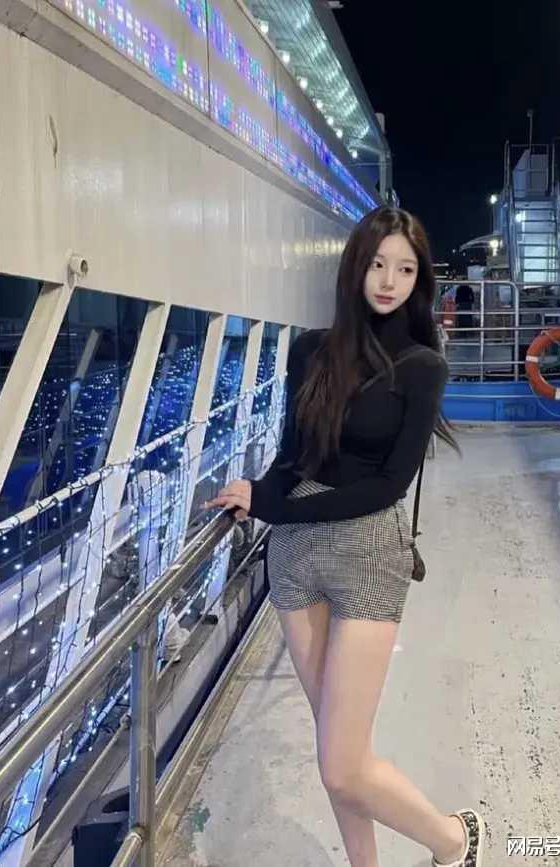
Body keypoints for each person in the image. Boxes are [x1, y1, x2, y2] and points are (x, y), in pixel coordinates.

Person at [205, 206, 486, 867]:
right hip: (296, 558)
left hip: (368, 555)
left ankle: (455, 838)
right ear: (356, 266)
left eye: (406, 270)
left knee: (339, 764)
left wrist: (279, 510)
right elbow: (292, 457)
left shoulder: (422, 366)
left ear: (419, 281)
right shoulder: (311, 350)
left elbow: (388, 486)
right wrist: (256, 493)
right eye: (378, 264)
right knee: (340, 751)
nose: (389, 281)